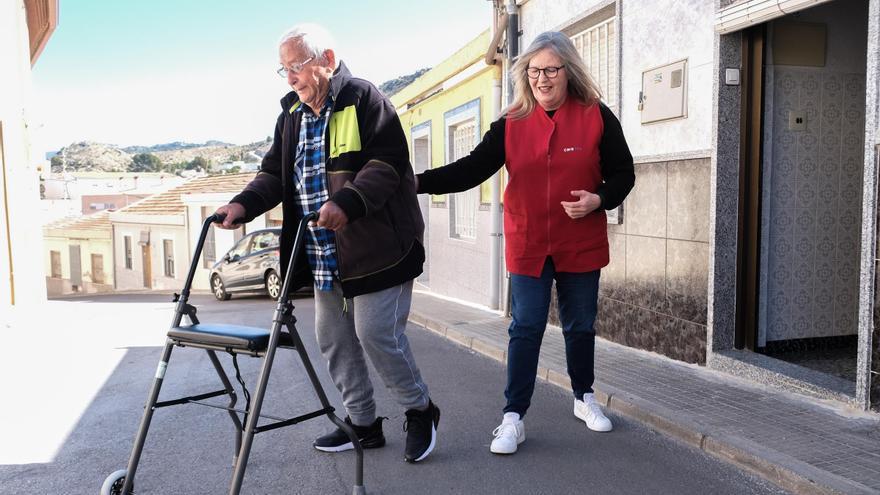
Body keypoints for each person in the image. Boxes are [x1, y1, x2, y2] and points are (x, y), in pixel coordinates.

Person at [215, 23, 439, 463]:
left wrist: (348, 202)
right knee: (334, 339)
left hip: (378, 249)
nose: (292, 78)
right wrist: (242, 205)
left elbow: (387, 163)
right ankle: (363, 424)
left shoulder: (363, 98)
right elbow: (274, 175)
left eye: (296, 66)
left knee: (375, 334)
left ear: (327, 59)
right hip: (322, 254)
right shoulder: (291, 117)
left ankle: (420, 410)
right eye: (284, 70)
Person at [416, 31, 634, 455]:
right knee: (527, 326)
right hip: (529, 241)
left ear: (568, 72)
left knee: (580, 324)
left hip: (580, 241)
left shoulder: (596, 116)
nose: (542, 79)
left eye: (551, 69)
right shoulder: (512, 122)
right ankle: (513, 417)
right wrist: (419, 182)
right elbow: (472, 168)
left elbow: (624, 173)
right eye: (534, 71)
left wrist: (599, 199)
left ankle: (584, 397)